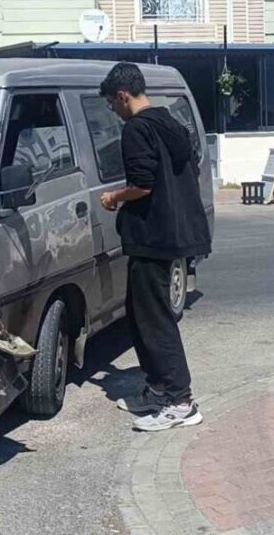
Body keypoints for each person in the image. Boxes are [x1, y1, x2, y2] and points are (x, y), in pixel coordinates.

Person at [98, 62, 212, 432]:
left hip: (151, 238)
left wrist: (114, 196)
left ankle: (180, 401)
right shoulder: (169, 122)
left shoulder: (136, 129)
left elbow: (143, 185)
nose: (113, 112)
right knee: (141, 312)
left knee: (154, 320)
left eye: (112, 105)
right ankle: (159, 388)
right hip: (173, 234)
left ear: (122, 95)